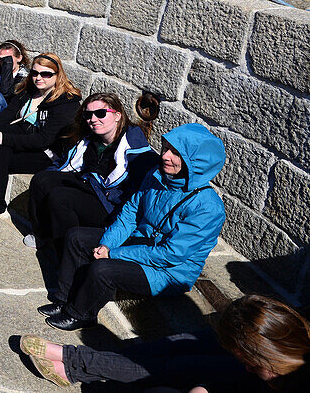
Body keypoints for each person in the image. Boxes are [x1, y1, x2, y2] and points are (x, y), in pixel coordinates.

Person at [40, 122, 226, 331]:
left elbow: (171, 254)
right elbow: (130, 214)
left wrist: (114, 254)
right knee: (76, 237)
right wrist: (107, 243)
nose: (165, 156)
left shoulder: (207, 207)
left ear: (195, 163)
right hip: (143, 241)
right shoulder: (156, 175)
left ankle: (81, 313)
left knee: (103, 270)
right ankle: (64, 300)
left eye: (176, 153)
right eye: (166, 148)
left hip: (170, 271)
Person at [19, 294, 309, 393]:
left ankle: (75, 362)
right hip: (248, 383)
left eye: (247, 362)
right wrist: (201, 390)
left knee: (174, 371)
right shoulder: (278, 362)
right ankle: (75, 366)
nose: (245, 367)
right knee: (178, 342)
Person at [25, 92, 159, 257]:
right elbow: (65, 164)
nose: (93, 119)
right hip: (91, 185)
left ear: (117, 115)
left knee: (60, 198)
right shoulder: (90, 139)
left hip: (110, 204)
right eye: (88, 115)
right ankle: (42, 235)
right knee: (42, 179)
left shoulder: (136, 150)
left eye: (101, 113)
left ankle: (65, 253)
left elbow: (137, 196)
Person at [0, 52, 81, 215]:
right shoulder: (28, 91)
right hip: (25, 138)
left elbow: (44, 139)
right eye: (35, 73)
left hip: (46, 153)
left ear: (58, 75)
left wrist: (3, 138)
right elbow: (7, 114)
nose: (39, 78)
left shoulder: (66, 103)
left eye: (46, 74)